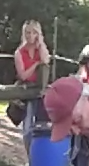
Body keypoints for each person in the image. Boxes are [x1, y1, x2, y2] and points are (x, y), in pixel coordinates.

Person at [13, 20, 50, 154]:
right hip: (26, 90)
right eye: (28, 32)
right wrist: (35, 65)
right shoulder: (19, 52)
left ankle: (40, 155)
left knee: (42, 124)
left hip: (40, 90)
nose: (30, 36)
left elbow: (45, 61)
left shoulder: (40, 50)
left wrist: (41, 43)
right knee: (27, 126)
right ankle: (30, 155)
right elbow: (23, 75)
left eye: (34, 33)